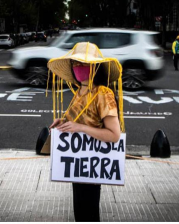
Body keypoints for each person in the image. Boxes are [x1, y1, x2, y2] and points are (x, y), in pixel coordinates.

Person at [47, 42, 125, 222]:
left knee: (88, 213)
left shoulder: (103, 93)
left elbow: (114, 135)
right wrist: (64, 122)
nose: (77, 67)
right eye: (75, 63)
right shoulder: (80, 91)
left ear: (95, 67)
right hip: (78, 165)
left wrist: (80, 128)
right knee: (79, 212)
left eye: (83, 64)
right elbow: (78, 120)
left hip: (92, 165)